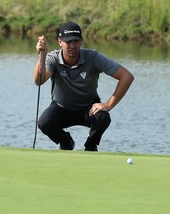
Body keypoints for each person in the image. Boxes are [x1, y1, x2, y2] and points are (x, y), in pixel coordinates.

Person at [34, 21, 134, 151]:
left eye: (75, 41)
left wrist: (108, 105)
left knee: (103, 117)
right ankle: (67, 142)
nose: (72, 45)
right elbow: (39, 80)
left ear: (81, 41)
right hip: (61, 108)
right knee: (44, 122)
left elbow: (127, 77)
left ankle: (91, 146)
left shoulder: (93, 57)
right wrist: (42, 56)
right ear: (60, 41)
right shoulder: (52, 58)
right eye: (68, 42)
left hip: (88, 108)